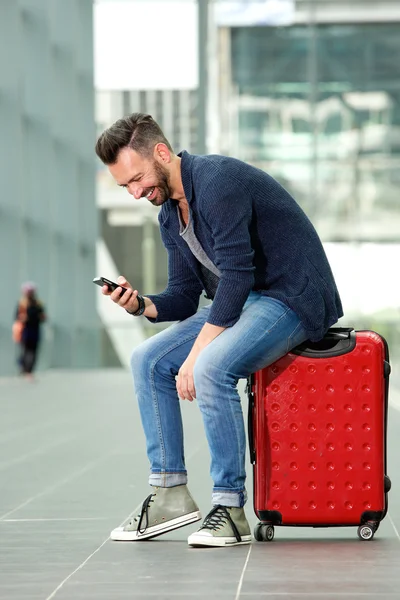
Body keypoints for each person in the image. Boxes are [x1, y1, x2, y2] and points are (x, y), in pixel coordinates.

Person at [95, 113, 343, 548]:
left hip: (291, 297)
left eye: (136, 180)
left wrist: (196, 355)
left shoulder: (216, 182)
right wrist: (141, 304)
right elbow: (184, 296)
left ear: (161, 152)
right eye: (124, 188)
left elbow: (237, 275)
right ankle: (169, 491)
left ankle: (229, 508)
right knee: (147, 359)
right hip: (246, 302)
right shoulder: (170, 216)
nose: (135, 193)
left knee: (210, 368)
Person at [13, 282, 46, 379]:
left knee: (33, 351)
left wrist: (40, 317)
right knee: (24, 350)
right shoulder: (22, 304)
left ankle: (29, 370)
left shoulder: (38, 304)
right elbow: (16, 316)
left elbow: (42, 317)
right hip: (25, 331)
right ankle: (23, 368)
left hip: (34, 330)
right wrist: (22, 318)